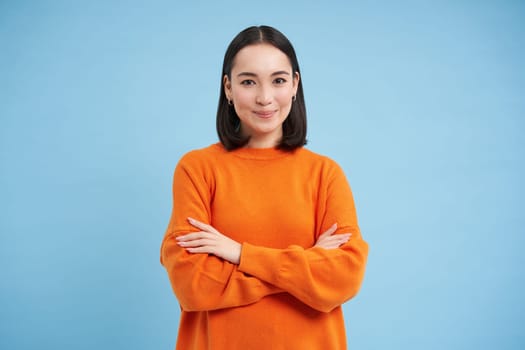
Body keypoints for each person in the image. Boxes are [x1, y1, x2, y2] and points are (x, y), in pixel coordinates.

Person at [160, 25, 368, 350]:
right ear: (228, 88)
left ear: (295, 85)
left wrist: (239, 253)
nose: (265, 97)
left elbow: (344, 278)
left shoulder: (325, 174)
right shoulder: (197, 169)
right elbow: (193, 285)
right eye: (248, 81)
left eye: (278, 80)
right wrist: (305, 267)